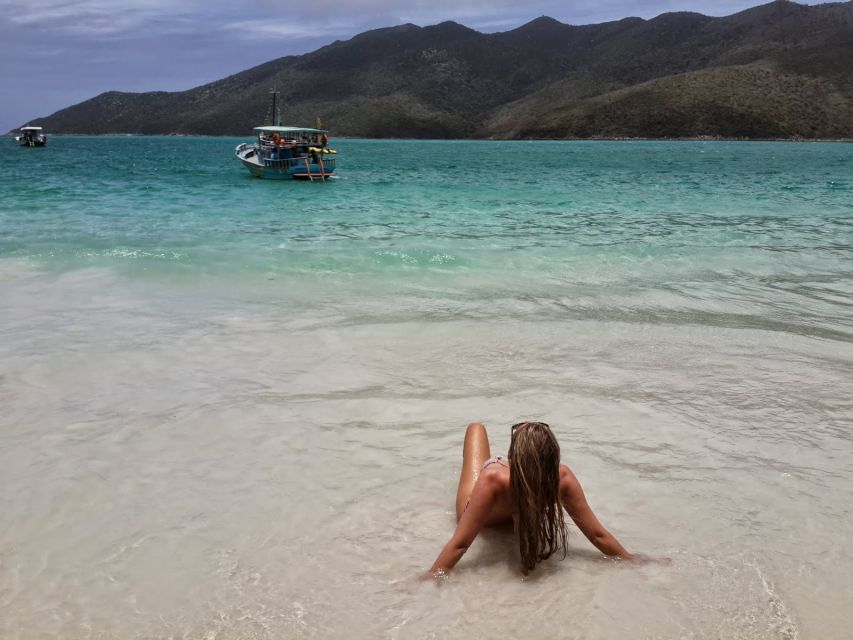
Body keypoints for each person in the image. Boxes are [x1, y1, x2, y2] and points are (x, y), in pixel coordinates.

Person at [429, 421, 634, 577]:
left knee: (476, 428)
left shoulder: (493, 479)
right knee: (478, 431)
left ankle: (499, 437)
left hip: (484, 517)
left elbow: (460, 545)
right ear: (553, 457)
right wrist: (633, 562)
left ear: (514, 459)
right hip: (497, 501)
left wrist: (427, 580)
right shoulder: (561, 479)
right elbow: (598, 536)